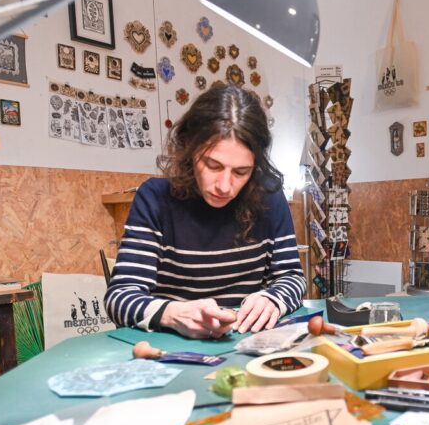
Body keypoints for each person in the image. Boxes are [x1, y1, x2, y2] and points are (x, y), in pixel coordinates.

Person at [105, 83, 305, 339]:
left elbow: (292, 277)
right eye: (212, 165)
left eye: (241, 172)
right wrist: (172, 314)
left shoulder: (269, 196)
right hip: (171, 350)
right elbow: (120, 297)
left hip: (247, 345)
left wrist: (273, 299)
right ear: (190, 147)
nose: (224, 186)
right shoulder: (154, 199)